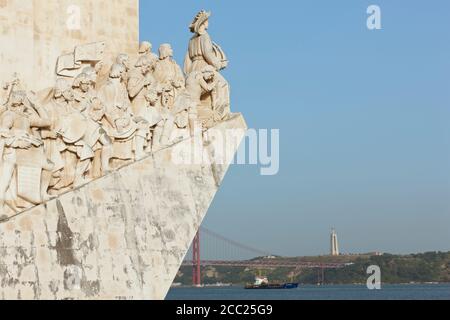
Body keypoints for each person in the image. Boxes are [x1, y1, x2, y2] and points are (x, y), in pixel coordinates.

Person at [0, 90, 53, 211]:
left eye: (20, 104)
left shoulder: (26, 117)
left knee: (49, 166)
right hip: (13, 152)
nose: (18, 107)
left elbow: (47, 122)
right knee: (4, 181)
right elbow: (2, 133)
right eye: (16, 104)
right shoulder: (9, 115)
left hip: (28, 152)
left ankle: (43, 193)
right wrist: (18, 143)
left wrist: (36, 104)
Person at [99, 64, 148, 163]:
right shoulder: (107, 87)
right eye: (124, 71)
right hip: (112, 121)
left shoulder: (122, 86)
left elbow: (128, 104)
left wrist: (130, 115)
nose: (126, 74)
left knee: (143, 123)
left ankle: (138, 154)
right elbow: (106, 107)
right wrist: (116, 120)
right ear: (119, 72)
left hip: (125, 117)